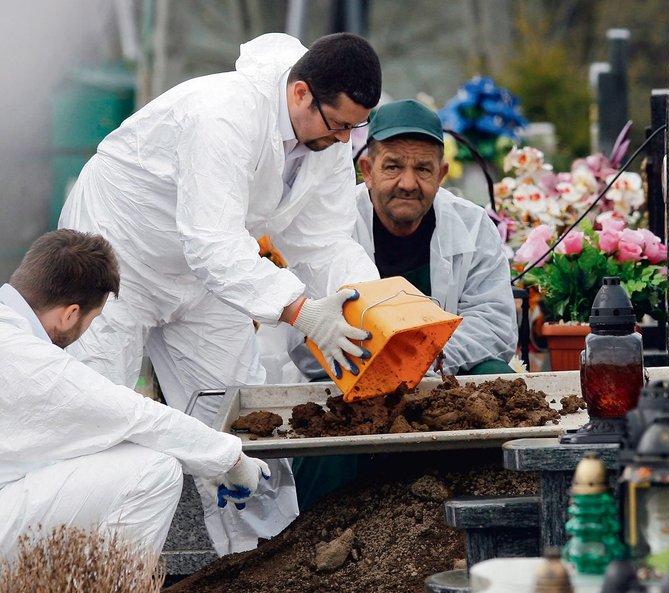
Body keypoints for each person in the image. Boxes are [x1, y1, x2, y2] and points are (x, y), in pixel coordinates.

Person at [57, 32, 383, 555]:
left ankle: (269, 569)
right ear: (300, 93)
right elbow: (210, 241)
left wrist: (378, 307)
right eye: (340, 123)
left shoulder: (323, 140)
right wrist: (300, 310)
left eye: (356, 127)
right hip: (118, 255)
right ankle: (87, 571)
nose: (346, 140)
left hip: (206, 271)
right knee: (98, 421)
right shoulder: (224, 112)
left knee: (240, 424)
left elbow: (323, 241)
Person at [287, 100, 518, 510]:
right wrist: (378, 365)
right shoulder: (328, 225)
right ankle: (316, 541)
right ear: (368, 170)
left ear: (442, 174)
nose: (408, 182)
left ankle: (489, 524)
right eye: (393, 166)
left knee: (494, 378)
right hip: (352, 388)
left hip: (441, 388)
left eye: (423, 168)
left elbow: (497, 325)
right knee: (319, 420)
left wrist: (419, 355)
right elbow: (302, 334)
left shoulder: (471, 225)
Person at [0, 230, 270, 561]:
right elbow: (134, 416)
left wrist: (202, 461)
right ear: (70, 314)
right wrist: (232, 459)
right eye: (91, 320)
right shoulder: (29, 357)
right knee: (154, 470)